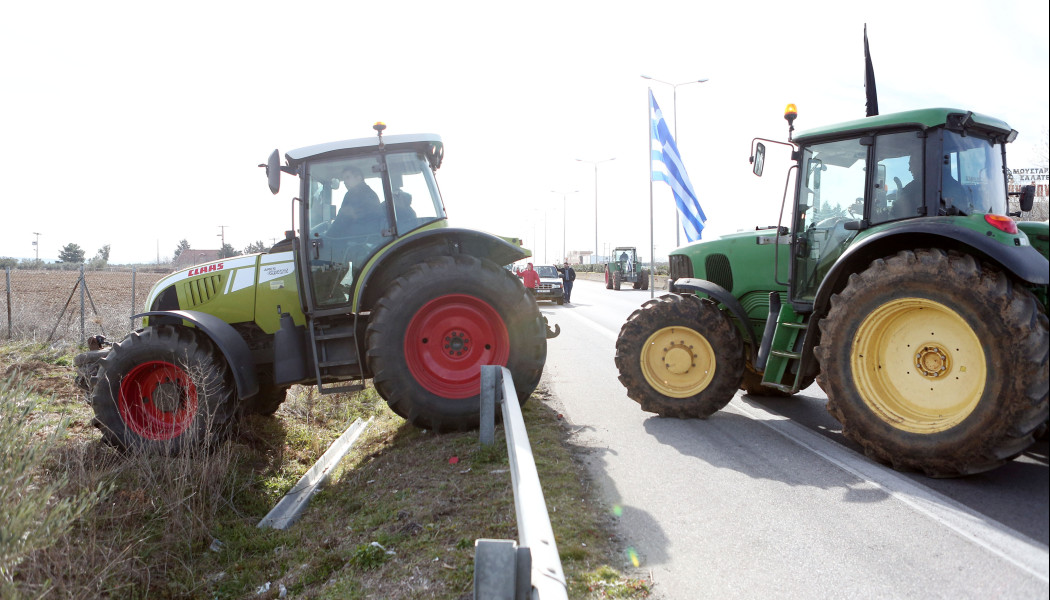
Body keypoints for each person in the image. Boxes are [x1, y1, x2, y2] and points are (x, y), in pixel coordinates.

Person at [328, 165, 382, 237]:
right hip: (370, 237)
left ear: (359, 178)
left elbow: (342, 219)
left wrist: (328, 236)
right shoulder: (371, 193)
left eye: (348, 177)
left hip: (358, 238)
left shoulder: (353, 193)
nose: (345, 182)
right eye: (344, 179)